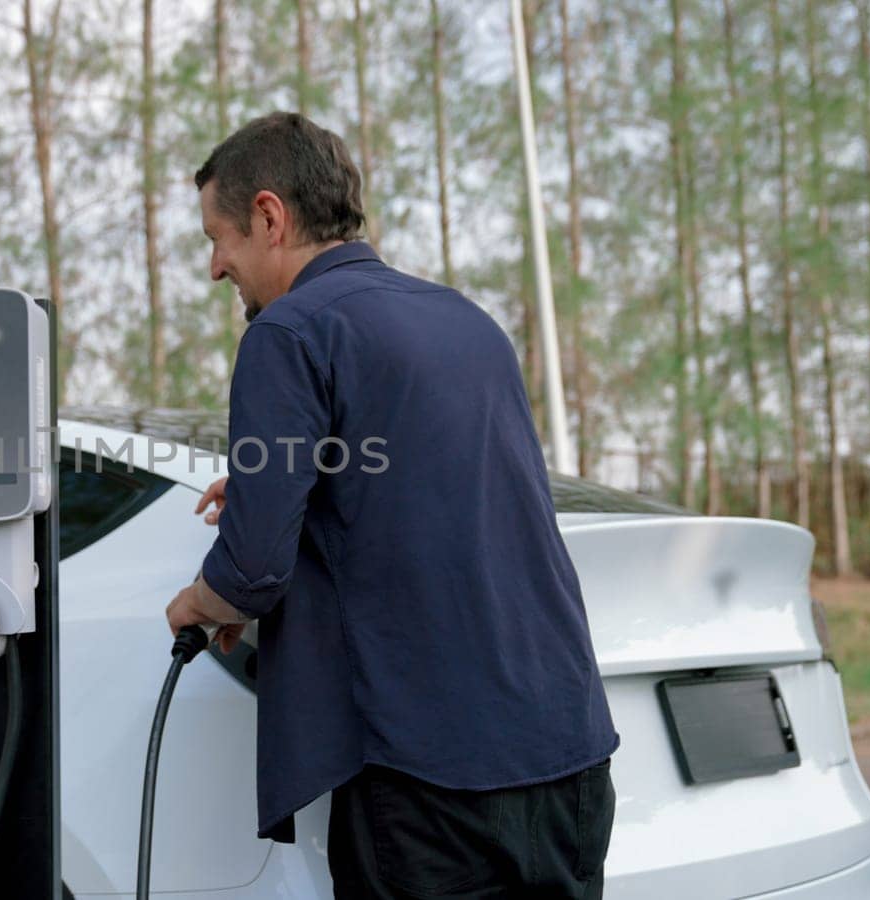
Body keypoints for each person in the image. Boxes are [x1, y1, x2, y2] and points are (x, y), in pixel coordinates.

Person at [165, 112, 619, 899]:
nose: (215, 267)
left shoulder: (288, 333)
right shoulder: (467, 322)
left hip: (430, 784)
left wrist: (197, 603)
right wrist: (291, 481)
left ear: (270, 217)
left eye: (219, 238)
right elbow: (446, 483)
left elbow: (249, 572)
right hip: (568, 756)